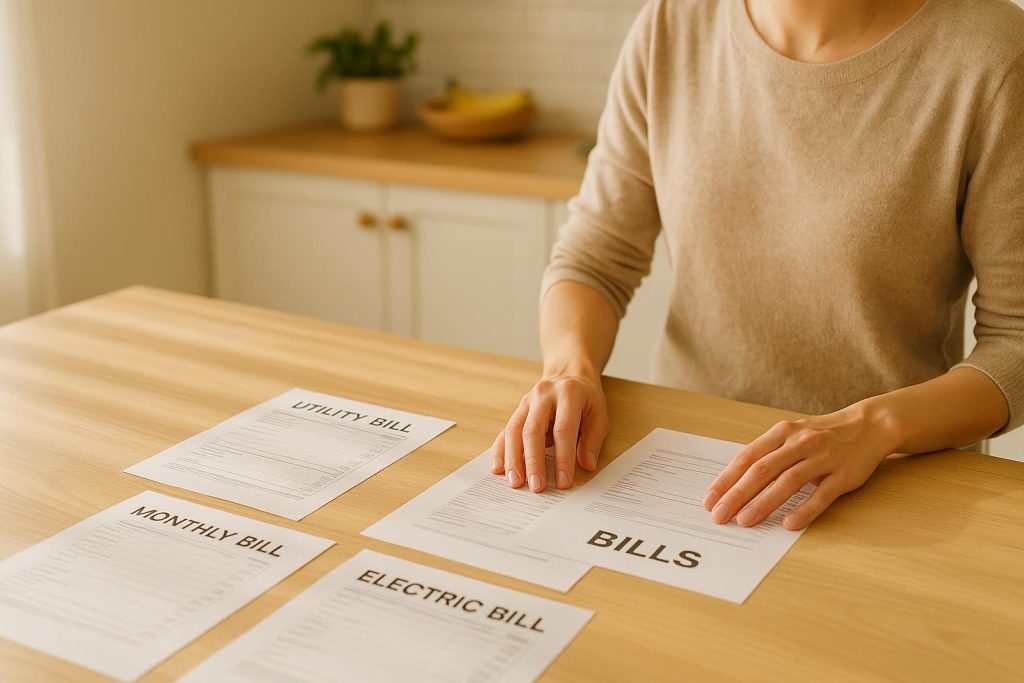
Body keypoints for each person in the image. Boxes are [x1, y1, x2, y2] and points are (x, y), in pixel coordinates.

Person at [490, 0, 1024, 530]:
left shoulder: (991, 50)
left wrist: (875, 425)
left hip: (891, 480)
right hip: (682, 462)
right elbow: (594, 255)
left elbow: (1016, 342)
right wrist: (571, 370)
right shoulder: (671, 23)